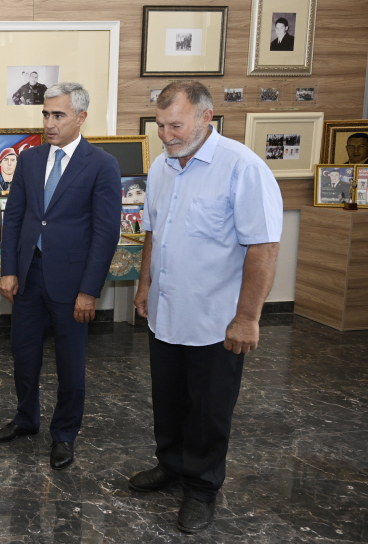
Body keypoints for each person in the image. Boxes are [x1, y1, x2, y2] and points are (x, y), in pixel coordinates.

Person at [130, 80, 282, 534]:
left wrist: (248, 318)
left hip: (217, 320)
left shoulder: (242, 168)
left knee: (208, 410)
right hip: (166, 311)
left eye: (175, 125)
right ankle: (171, 465)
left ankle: (201, 488)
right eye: (160, 125)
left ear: (205, 117)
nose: (166, 135)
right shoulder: (161, 166)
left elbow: (263, 246)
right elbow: (153, 231)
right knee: (168, 400)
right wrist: (144, 283)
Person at [0, 82, 121, 472]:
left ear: (81, 117)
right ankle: (26, 418)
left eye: (58, 115)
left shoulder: (101, 164)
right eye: (46, 114)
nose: (49, 122)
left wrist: (89, 290)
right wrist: (9, 269)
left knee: (70, 364)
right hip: (28, 277)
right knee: (23, 355)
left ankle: (64, 434)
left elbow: (105, 234)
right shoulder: (30, 160)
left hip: (72, 283)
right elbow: (15, 217)